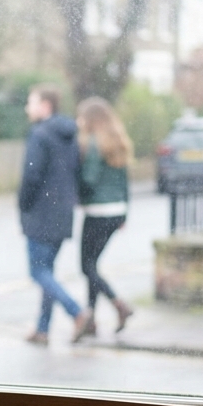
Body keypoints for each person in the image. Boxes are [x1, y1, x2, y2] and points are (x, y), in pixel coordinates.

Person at [17, 84, 89, 345]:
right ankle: (42, 329)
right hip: (63, 214)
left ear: (45, 105)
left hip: (41, 214)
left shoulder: (39, 134)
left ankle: (78, 313)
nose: (28, 107)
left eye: (31, 102)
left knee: (38, 273)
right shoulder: (70, 135)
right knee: (47, 272)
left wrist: (23, 207)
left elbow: (31, 176)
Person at [74, 97, 135, 340]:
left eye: (81, 117)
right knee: (93, 266)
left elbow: (88, 179)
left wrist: (77, 195)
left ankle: (119, 304)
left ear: (90, 119)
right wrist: (125, 213)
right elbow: (124, 182)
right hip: (116, 211)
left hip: (97, 212)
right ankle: (91, 319)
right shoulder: (118, 141)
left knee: (86, 266)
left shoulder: (92, 142)